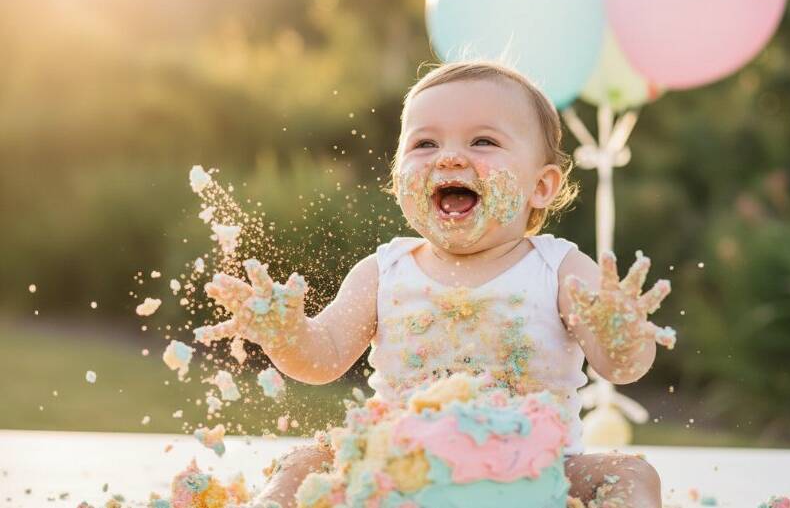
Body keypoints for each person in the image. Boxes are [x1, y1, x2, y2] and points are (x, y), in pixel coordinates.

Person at [196, 60, 674, 507]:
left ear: (541, 186)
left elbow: (622, 368)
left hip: (538, 472)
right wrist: (287, 334)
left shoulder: (560, 268)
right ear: (397, 177)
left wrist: (622, 332)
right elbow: (323, 358)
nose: (448, 158)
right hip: (401, 467)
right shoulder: (385, 270)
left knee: (631, 474)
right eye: (424, 144)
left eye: (483, 141)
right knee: (305, 461)